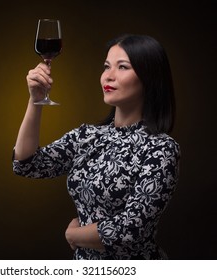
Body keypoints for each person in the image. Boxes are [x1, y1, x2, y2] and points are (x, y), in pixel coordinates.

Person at [12, 34, 180, 260]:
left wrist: (74, 235)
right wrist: (36, 101)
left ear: (149, 77)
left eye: (122, 67)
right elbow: (26, 164)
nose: (108, 76)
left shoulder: (161, 149)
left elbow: (130, 230)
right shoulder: (88, 136)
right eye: (106, 66)